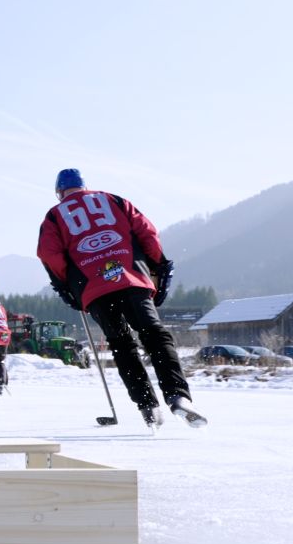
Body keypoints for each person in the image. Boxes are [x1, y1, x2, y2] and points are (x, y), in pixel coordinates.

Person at [37, 168, 206, 429]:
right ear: (84, 185)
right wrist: (158, 266)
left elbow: (50, 255)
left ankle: (147, 406)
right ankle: (178, 396)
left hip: (93, 288)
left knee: (121, 344)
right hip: (131, 278)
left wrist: (67, 287)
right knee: (154, 333)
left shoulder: (54, 216)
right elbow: (147, 233)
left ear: (60, 192)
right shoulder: (114, 200)